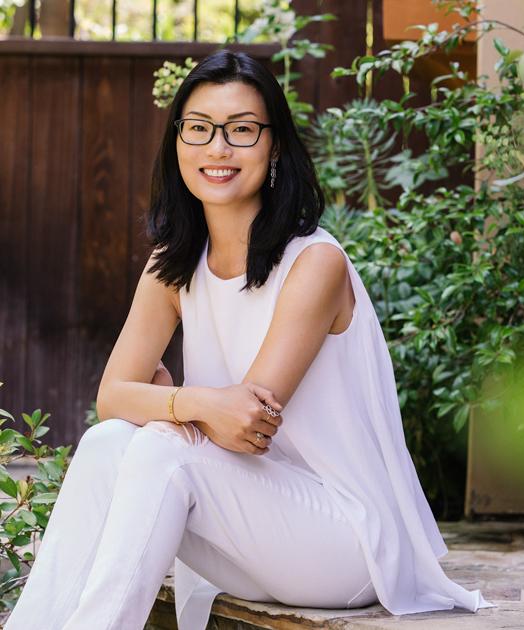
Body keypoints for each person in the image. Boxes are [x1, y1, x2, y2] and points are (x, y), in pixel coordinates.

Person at [5, 50, 494, 630]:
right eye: (199, 129)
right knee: (109, 441)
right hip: (247, 535)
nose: (217, 148)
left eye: (241, 130)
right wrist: (191, 403)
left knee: (162, 445)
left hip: (343, 543)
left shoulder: (314, 262)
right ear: (178, 141)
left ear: (275, 145)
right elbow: (113, 398)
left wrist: (167, 403)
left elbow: (246, 423)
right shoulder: (174, 263)